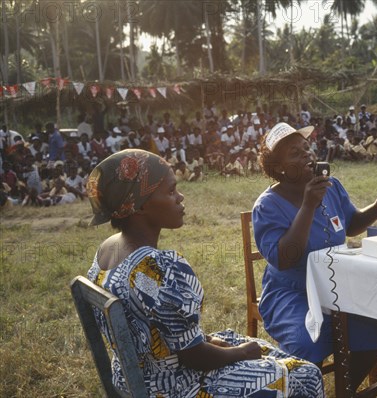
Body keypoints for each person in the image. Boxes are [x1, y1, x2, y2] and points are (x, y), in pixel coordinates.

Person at [85, 149, 324, 398]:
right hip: (175, 386)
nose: (180, 197)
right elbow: (196, 358)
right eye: (170, 191)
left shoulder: (107, 249)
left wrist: (212, 343)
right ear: (139, 206)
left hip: (133, 379)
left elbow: (159, 329)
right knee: (305, 374)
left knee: (257, 347)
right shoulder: (159, 267)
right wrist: (242, 353)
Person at [252, 122, 377, 392]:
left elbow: (351, 223)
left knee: (373, 337)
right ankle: (307, 390)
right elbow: (284, 259)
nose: (308, 155)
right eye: (295, 153)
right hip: (292, 292)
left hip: (336, 287)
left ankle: (344, 392)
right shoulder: (267, 206)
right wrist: (308, 205)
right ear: (279, 167)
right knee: (308, 342)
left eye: (307, 148)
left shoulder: (330, 187)